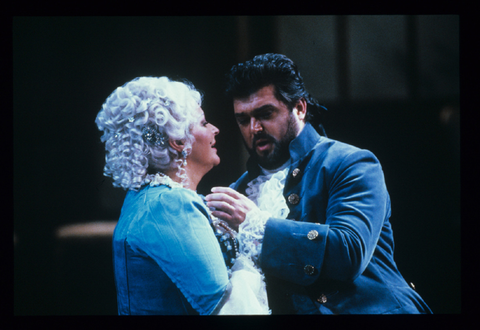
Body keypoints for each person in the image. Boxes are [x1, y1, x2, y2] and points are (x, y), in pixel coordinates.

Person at [205, 53, 432, 314]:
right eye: (243, 120)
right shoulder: (237, 195)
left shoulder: (351, 163)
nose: (254, 128)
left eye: (265, 113)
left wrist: (255, 224)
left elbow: (348, 252)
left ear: (300, 108)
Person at [95, 76, 269, 315]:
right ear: (178, 141)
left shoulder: (149, 198)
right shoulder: (170, 204)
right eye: (204, 123)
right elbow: (230, 308)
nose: (215, 129)